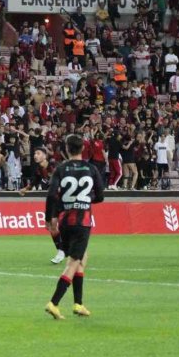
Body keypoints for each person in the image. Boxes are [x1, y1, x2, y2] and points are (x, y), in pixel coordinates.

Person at [44, 134, 104, 320]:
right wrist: (84, 199)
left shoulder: (61, 168)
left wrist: (50, 218)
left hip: (65, 221)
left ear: (67, 149)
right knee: (73, 262)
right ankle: (53, 303)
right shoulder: (91, 168)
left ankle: (78, 303)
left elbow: (52, 194)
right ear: (83, 149)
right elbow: (100, 196)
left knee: (82, 258)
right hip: (82, 222)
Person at [20, 146, 64, 265]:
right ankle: (61, 251)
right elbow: (35, 180)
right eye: (35, 154)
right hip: (53, 198)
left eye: (38, 153)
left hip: (64, 198)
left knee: (63, 225)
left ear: (45, 155)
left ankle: (67, 250)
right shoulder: (39, 168)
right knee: (50, 226)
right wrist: (26, 189)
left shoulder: (54, 165)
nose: (35, 156)